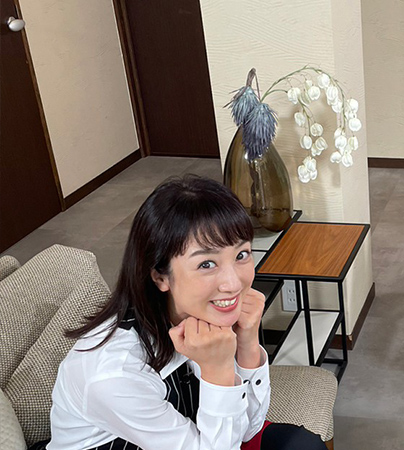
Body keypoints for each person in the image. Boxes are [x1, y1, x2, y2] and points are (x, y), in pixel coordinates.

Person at [42, 175, 327, 449]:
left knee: (303, 444)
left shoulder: (200, 315)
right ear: (160, 276)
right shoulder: (114, 374)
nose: (233, 284)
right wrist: (217, 369)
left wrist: (247, 342)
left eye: (241, 255)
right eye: (206, 264)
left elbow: (247, 430)